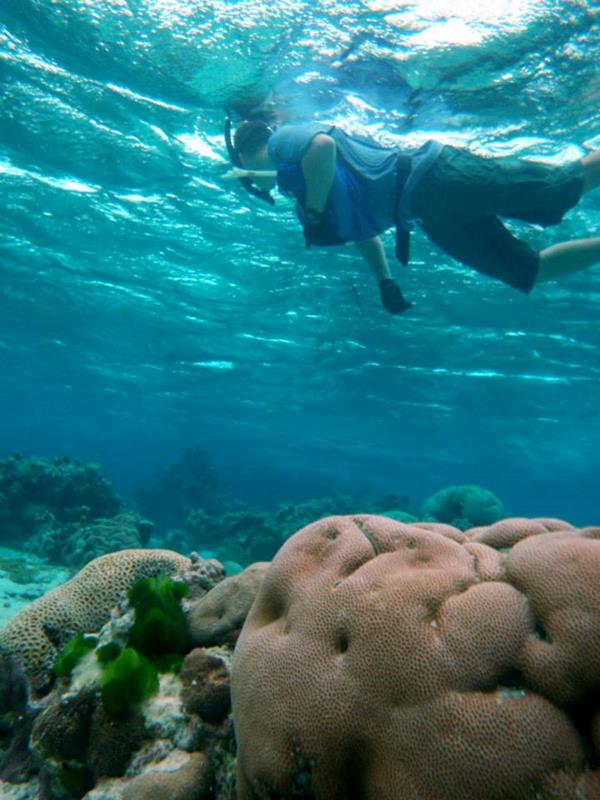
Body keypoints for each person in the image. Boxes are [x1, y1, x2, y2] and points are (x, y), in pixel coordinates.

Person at [230, 120, 600, 314]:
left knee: (556, 188)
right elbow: (361, 230)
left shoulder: (280, 143)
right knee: (526, 271)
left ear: (244, 154)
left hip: (434, 179)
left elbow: (322, 146)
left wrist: (312, 211)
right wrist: (385, 282)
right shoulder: (299, 181)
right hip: (428, 215)